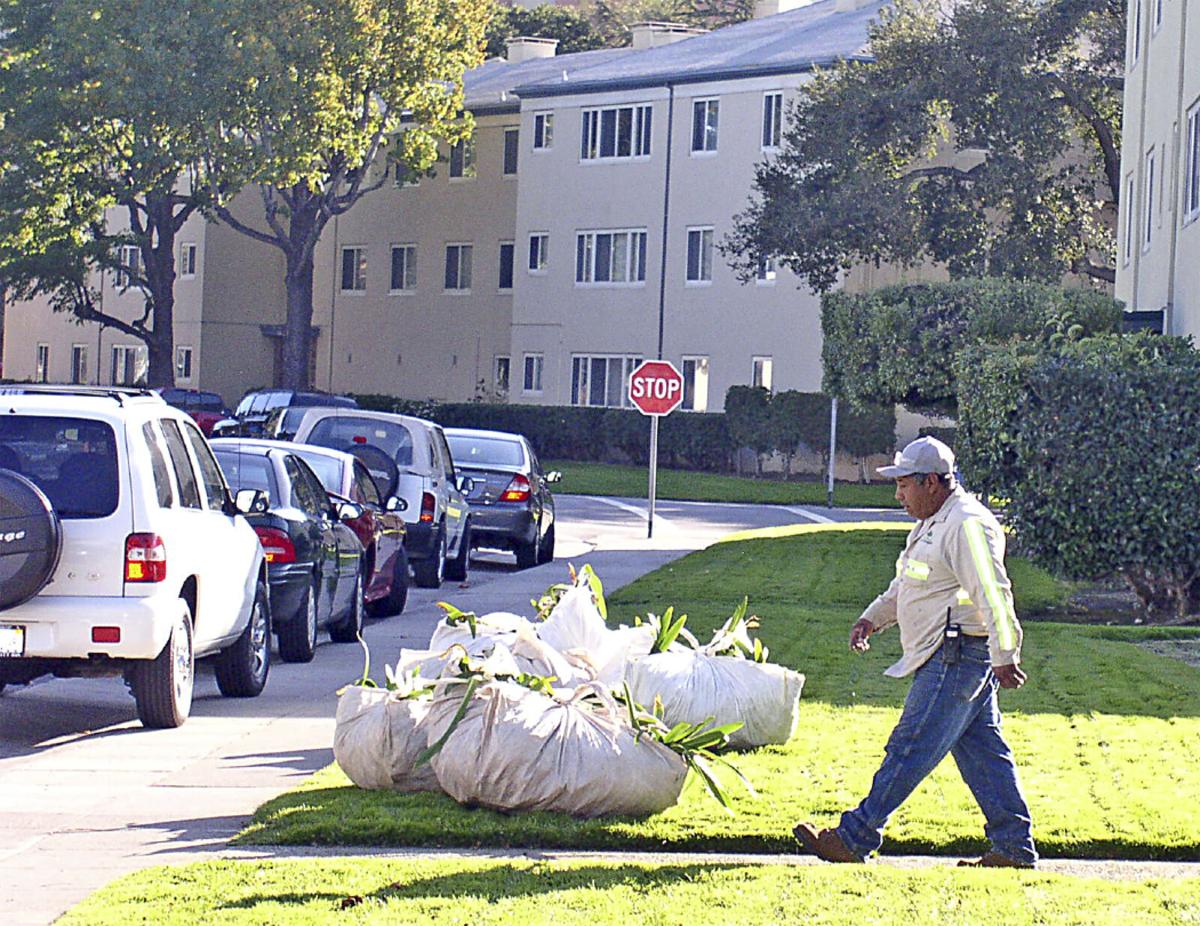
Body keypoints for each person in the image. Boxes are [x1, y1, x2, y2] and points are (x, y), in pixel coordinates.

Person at [794, 436, 1037, 868]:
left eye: (904, 485)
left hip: (956, 656)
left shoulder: (966, 524)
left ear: (931, 483)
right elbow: (908, 584)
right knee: (985, 755)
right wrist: (872, 618)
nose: (898, 494)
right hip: (953, 654)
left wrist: (1005, 652)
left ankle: (854, 837)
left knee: (909, 746)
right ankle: (1014, 849)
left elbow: (993, 592)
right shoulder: (933, 521)